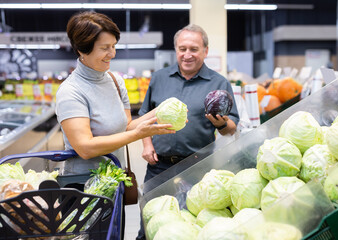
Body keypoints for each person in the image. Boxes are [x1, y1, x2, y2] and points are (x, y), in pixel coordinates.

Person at [55, 11, 175, 239]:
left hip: (114, 182)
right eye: (104, 48)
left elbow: (127, 126)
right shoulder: (71, 92)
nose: (112, 53)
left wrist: (157, 115)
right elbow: (85, 147)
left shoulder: (115, 81)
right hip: (83, 189)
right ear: (82, 49)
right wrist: (138, 134)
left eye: (113, 45)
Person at [136, 24, 239, 240]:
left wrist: (220, 124)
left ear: (205, 51)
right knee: (150, 226)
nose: (187, 55)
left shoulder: (219, 83)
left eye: (194, 49)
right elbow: (144, 116)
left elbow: (231, 130)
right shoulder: (159, 78)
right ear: (176, 49)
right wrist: (147, 145)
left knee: (192, 227)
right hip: (159, 168)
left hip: (198, 168)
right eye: (182, 49)